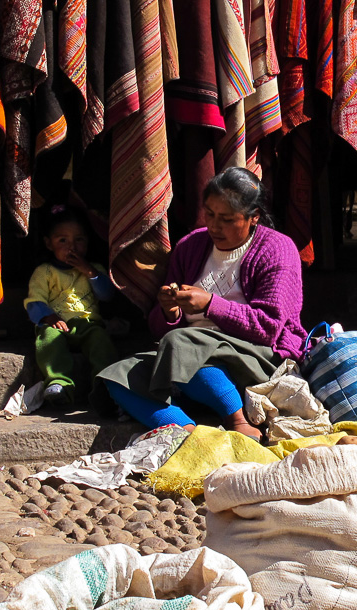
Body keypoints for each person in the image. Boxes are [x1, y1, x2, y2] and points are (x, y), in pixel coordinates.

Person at [98, 167, 307, 440]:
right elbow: (160, 330)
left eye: (227, 219)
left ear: (253, 217)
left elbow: (268, 328)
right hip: (187, 354)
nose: (214, 226)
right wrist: (169, 311)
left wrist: (210, 304)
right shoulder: (190, 246)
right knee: (118, 377)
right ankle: (187, 432)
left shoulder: (277, 248)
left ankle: (237, 419)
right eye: (209, 214)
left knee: (181, 346)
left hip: (257, 354)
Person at [24, 205, 118, 406]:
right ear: (49, 244)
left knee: (101, 340)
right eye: (62, 240)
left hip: (88, 325)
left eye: (79, 240)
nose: (72, 246)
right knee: (47, 339)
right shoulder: (45, 272)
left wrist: (89, 271)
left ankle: (105, 383)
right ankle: (59, 383)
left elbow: (107, 295)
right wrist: (49, 318)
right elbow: (34, 301)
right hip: (57, 324)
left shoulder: (94, 270)